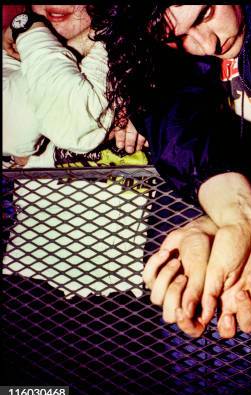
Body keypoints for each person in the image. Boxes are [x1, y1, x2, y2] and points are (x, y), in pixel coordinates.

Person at [90, 4, 251, 337]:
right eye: (177, 38)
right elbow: (173, 116)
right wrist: (226, 215)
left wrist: (229, 218)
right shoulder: (177, 51)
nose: (207, 45)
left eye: (205, 15)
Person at [2, 4, 149, 298]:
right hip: (26, 280)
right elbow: (17, 132)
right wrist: (32, 31)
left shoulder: (140, 50)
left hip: (131, 292)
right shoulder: (12, 52)